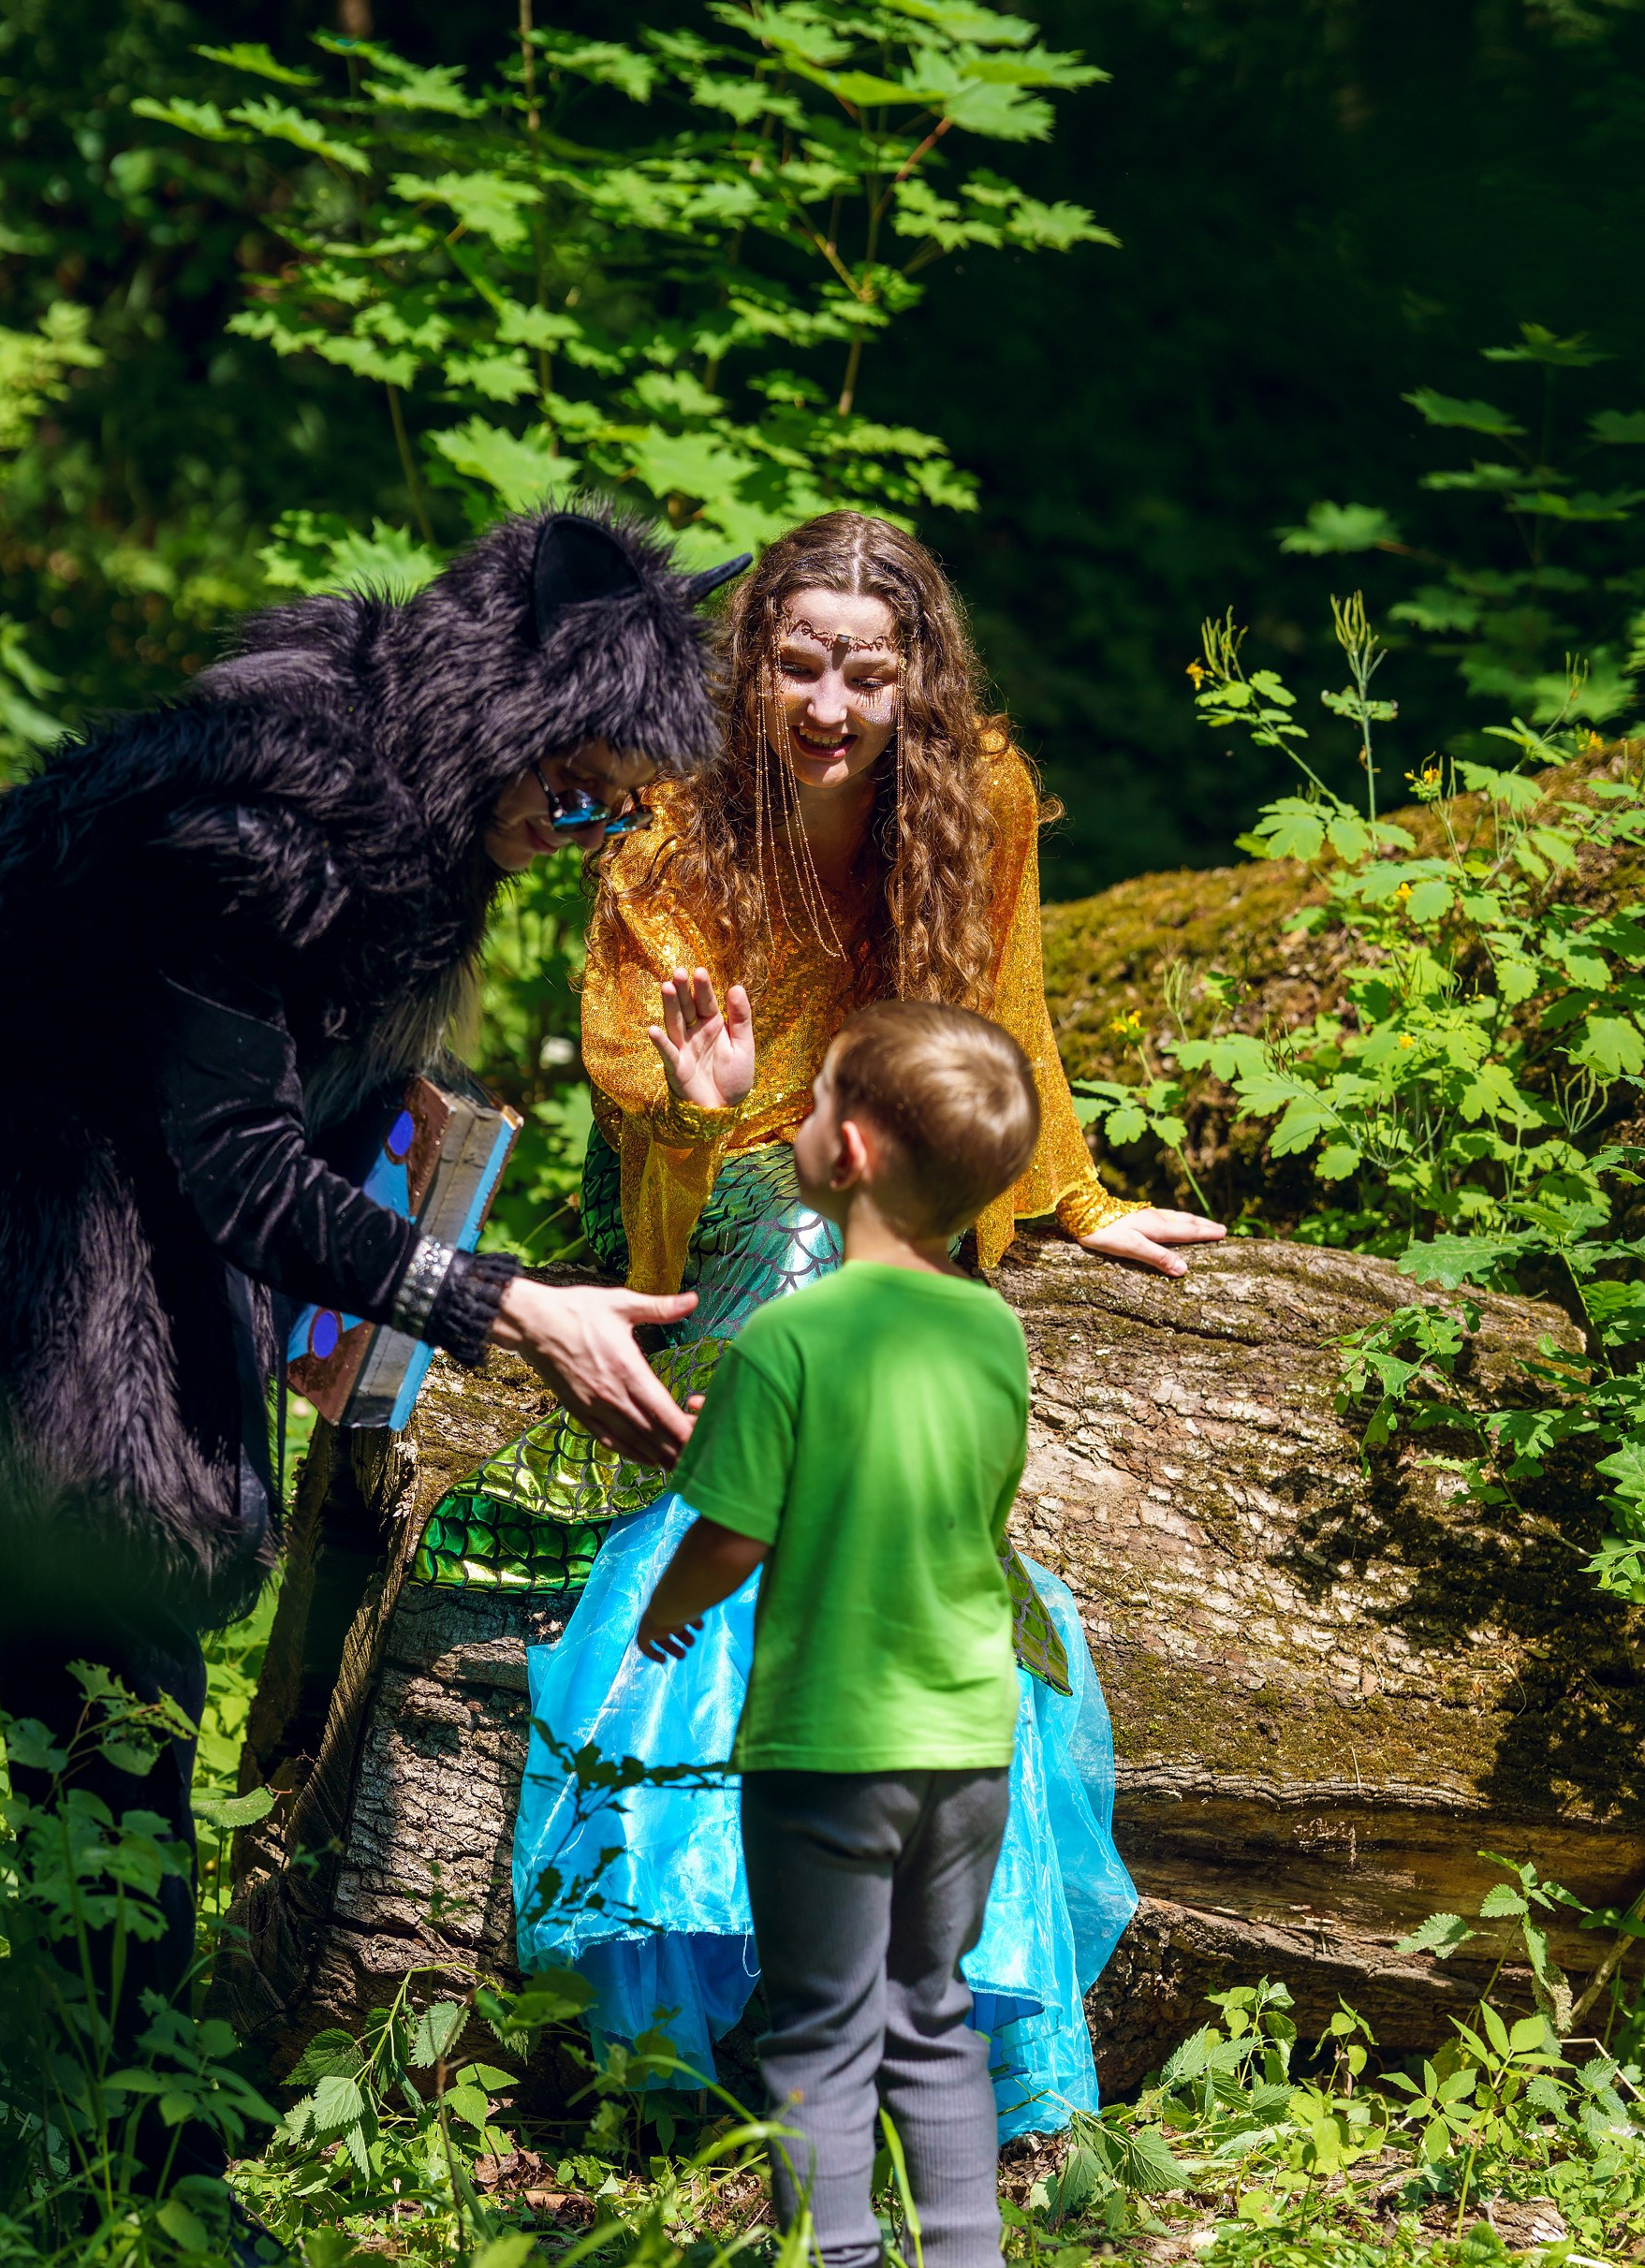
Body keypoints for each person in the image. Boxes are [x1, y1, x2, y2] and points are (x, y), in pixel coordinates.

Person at [0, 503, 742, 2188]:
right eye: (574, 791)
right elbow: (236, 1161)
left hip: (148, 1237)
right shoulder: (268, 824)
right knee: (114, 1700)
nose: (584, 833)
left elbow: (280, 1088)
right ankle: (132, 2172)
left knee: (125, 1702)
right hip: (41, 1257)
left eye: (615, 803)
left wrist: (375, 1189)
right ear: (501, 715)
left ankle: (111, 2125)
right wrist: (501, 1305)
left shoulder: (405, 795)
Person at [421, 510, 1218, 2130]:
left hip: (896, 1191)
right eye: (798, 667)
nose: (830, 707)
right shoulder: (667, 827)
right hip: (727, 1186)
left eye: (868, 673)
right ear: (752, 665)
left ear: (919, 676)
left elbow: (1012, 1017)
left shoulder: (981, 797)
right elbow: (647, 1111)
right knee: (794, 1349)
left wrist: (1072, 1199)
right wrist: (708, 1109)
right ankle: (700, 1965)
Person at [636, 1000, 1043, 2268]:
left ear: (850, 1152)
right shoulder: (992, 1335)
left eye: (810, 1104)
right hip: (968, 1741)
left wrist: (665, 1610)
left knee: (819, 2027)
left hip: (828, 1743)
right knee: (931, 2011)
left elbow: (732, 1535)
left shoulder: (788, 1342)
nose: (796, 1123)